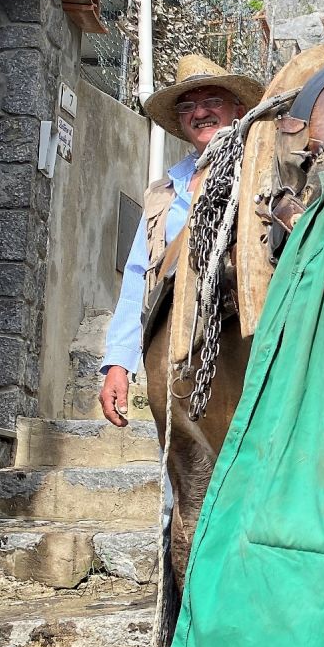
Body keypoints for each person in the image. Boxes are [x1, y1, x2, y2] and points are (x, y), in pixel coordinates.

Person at [99, 55, 260, 426]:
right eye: (187, 106)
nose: (199, 112)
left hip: (251, 357)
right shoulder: (163, 194)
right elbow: (139, 277)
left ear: (239, 109)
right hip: (178, 367)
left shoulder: (262, 172)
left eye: (212, 101)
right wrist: (119, 363)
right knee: (182, 480)